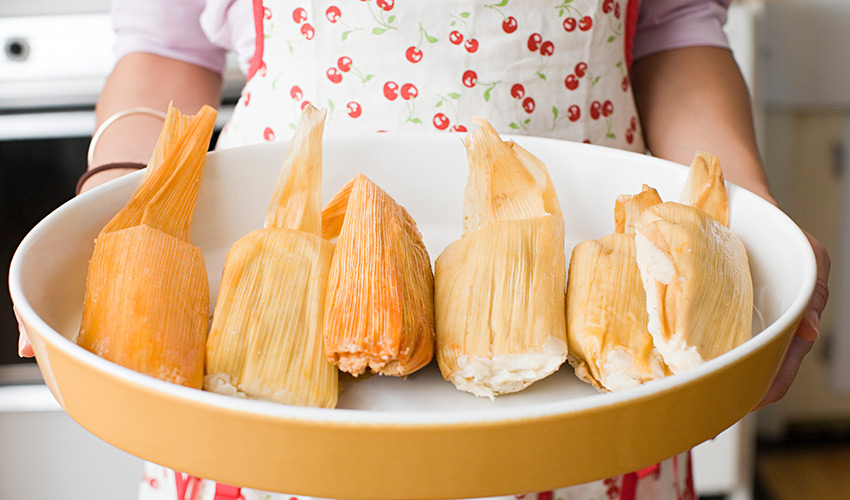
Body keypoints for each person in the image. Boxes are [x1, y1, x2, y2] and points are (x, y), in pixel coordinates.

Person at [17, 0, 831, 499]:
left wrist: (745, 228)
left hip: (593, 350)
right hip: (271, 353)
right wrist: (117, 199)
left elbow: (676, 30)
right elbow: (168, 49)